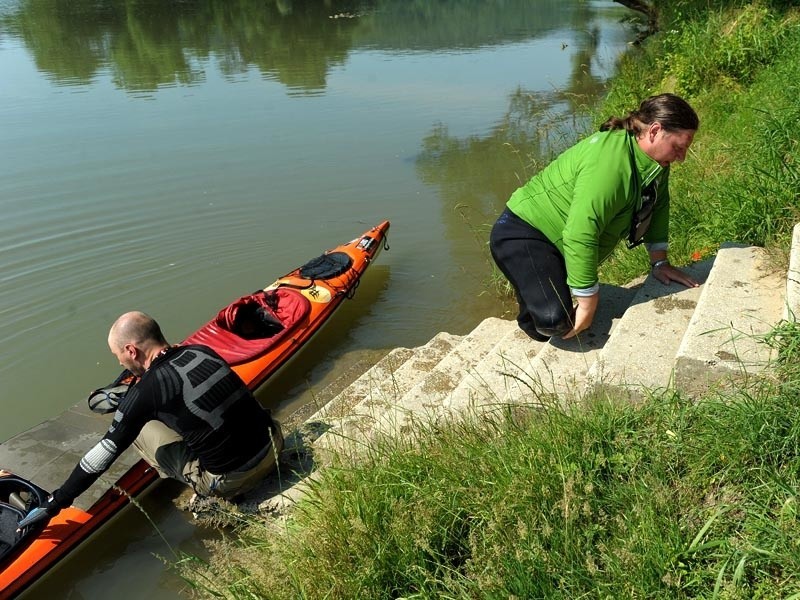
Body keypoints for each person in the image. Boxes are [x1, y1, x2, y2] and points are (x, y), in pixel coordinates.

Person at [19, 311, 283, 528]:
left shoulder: (145, 392)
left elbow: (103, 454)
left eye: (118, 355)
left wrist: (56, 503)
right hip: (275, 443)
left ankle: (204, 492)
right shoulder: (202, 351)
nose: (121, 363)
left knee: (136, 429)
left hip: (233, 479)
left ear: (131, 350)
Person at [490, 93, 701, 342]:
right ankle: (530, 310)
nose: (682, 157)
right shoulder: (610, 163)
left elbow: (659, 205)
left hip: (559, 241)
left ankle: (541, 290)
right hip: (523, 234)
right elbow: (581, 232)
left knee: (564, 309)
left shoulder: (654, 162)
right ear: (654, 131)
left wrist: (660, 263)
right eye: (678, 147)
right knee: (554, 323)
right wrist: (589, 300)